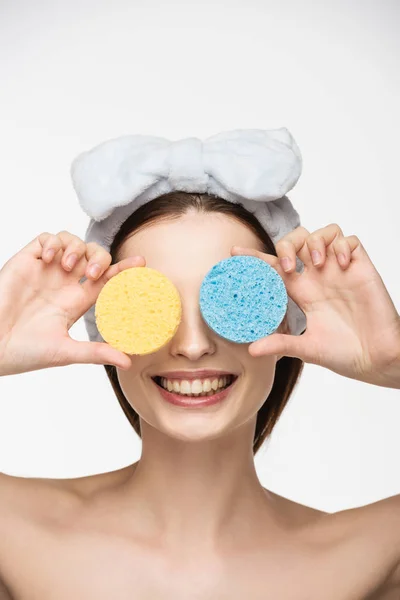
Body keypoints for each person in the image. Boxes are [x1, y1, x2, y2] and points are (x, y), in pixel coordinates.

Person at [0, 144, 399, 598]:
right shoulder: (12, 534)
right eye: (148, 306)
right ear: (105, 325)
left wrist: (393, 358)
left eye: (235, 301)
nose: (192, 346)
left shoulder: (375, 554)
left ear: (287, 320)